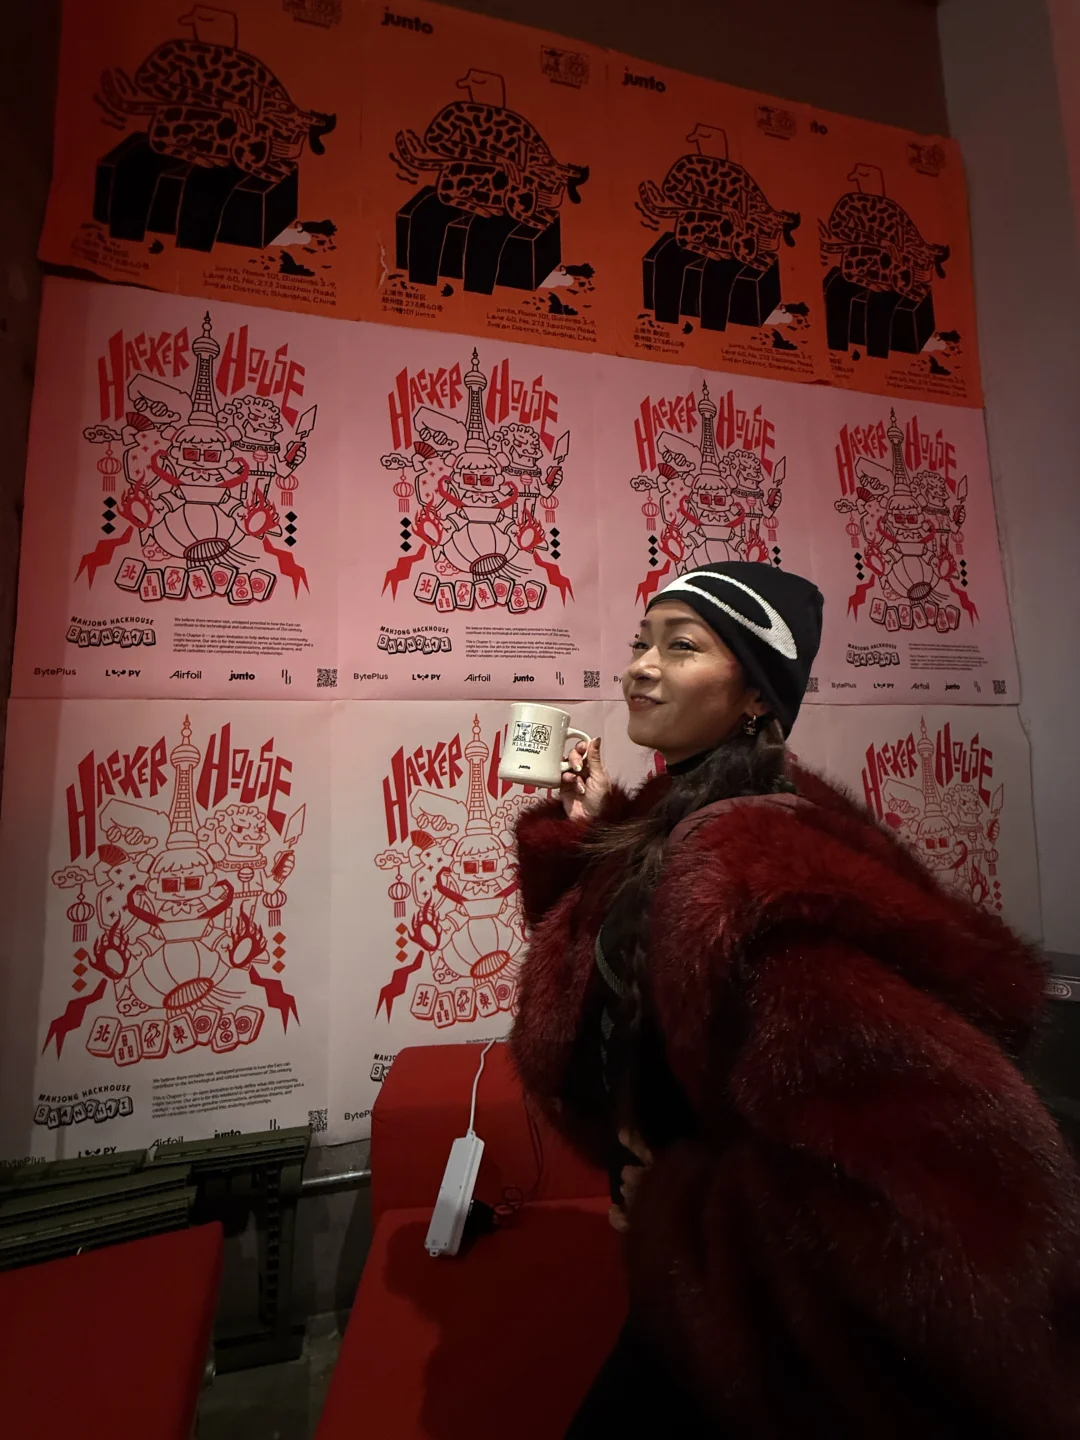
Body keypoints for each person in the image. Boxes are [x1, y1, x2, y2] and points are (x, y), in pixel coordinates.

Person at [508, 561, 1080, 1438]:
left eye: (681, 647)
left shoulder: (748, 877)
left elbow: (951, 1194)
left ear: (754, 696)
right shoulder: (683, 819)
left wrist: (684, 1211)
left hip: (749, 1344)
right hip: (690, 1301)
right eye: (639, 643)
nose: (640, 667)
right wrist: (592, 832)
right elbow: (612, 985)